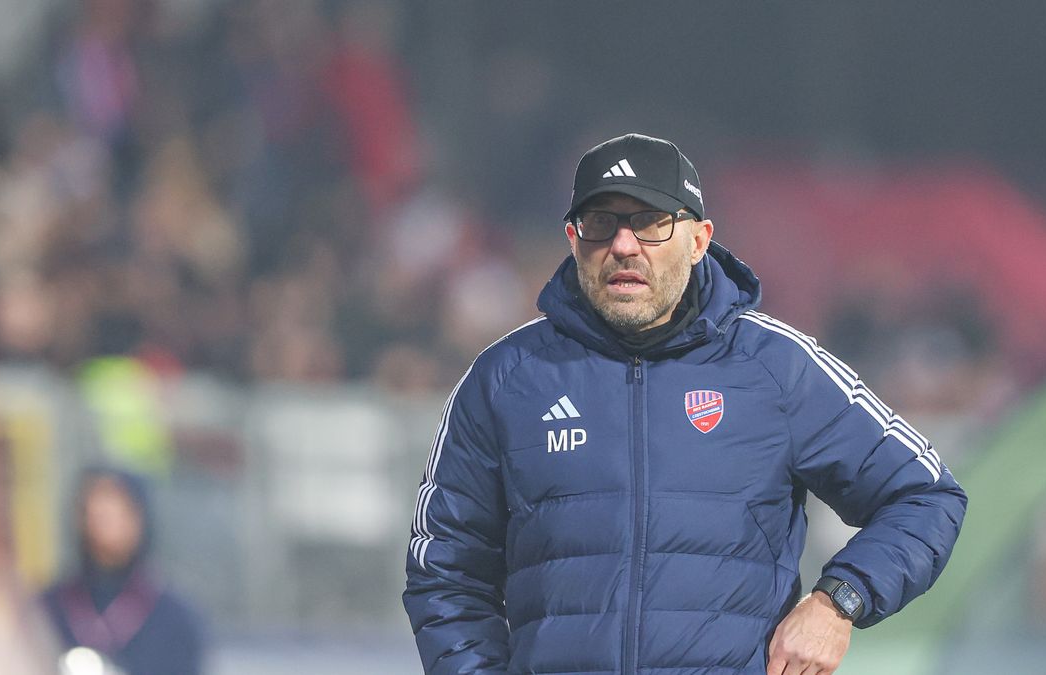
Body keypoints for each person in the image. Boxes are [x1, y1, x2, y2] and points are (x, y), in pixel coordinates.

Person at [404, 133, 967, 674]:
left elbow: (925, 496)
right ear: (574, 238)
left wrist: (838, 602)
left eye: (650, 223)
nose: (623, 245)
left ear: (698, 240)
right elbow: (445, 572)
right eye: (601, 224)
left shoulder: (776, 366)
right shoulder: (507, 378)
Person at [40, 466, 205, 675]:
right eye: (96, 514)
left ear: (140, 518)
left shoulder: (174, 618)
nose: (104, 524)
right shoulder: (48, 610)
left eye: (117, 513)